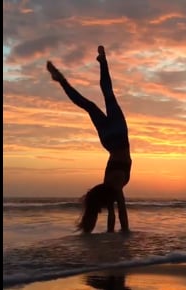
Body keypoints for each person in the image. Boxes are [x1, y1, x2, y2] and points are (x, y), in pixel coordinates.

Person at [47, 45, 131, 233]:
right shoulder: (107, 184)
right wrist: (120, 239)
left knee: (104, 99)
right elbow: (117, 215)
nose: (106, 207)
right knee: (91, 105)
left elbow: (120, 215)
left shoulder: (114, 187)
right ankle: (64, 81)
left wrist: (120, 235)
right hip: (109, 141)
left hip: (118, 136)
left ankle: (101, 61)